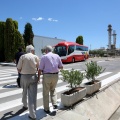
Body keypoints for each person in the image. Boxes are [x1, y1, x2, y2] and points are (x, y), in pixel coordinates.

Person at [38, 45, 63, 114]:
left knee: (46, 92)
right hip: (55, 75)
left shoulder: (44, 57)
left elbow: (40, 69)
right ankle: (54, 103)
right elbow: (61, 67)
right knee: (53, 89)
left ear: (46, 50)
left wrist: (38, 78)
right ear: (51, 50)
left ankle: (46, 109)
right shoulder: (57, 56)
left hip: (47, 76)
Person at [17, 45, 39, 120]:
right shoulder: (35, 57)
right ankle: (32, 113)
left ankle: (25, 105)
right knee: (32, 96)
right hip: (33, 76)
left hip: (24, 77)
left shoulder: (22, 57)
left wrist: (23, 71)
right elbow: (38, 67)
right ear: (32, 50)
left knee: (24, 91)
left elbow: (18, 68)